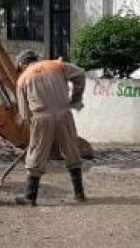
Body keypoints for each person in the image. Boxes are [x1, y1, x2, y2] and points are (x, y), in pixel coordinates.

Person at [14, 49, 86, 206]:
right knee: (71, 150)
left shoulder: (22, 80)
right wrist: (75, 98)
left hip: (41, 117)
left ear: (22, 63)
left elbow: (25, 115)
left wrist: (31, 129)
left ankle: (30, 197)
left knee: (36, 153)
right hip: (64, 114)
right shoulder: (56, 65)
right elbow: (80, 74)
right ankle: (79, 194)